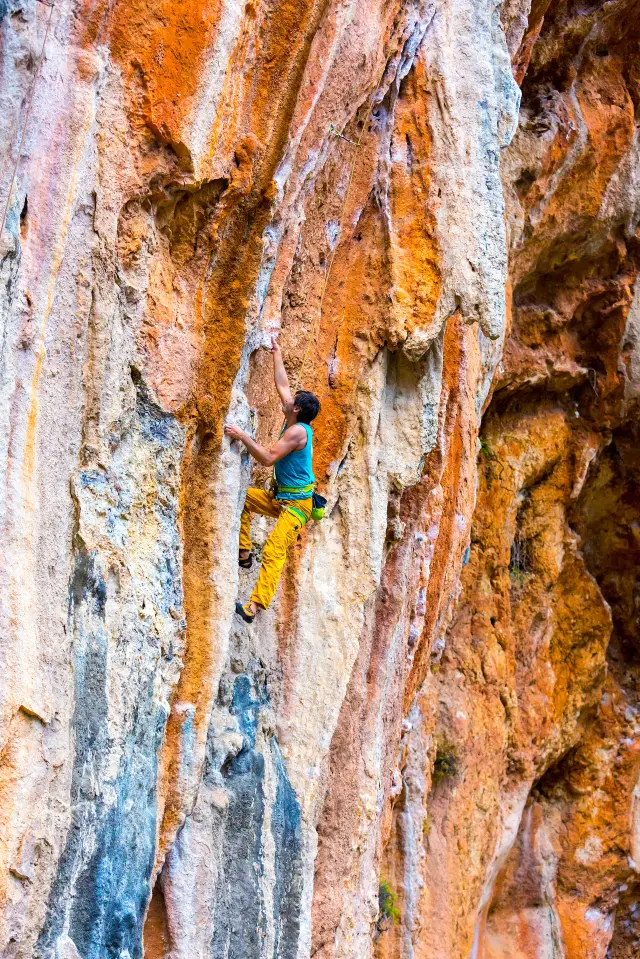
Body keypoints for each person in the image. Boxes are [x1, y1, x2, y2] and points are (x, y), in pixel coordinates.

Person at [223, 337, 320, 623]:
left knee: (274, 550)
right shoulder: (294, 419)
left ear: (297, 410)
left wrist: (242, 436)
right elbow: (283, 385)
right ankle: (243, 553)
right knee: (242, 499)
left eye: (292, 402)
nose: (286, 400)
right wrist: (278, 353)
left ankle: (254, 607)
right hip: (281, 498)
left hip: (297, 506)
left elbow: (266, 459)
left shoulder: (297, 432)